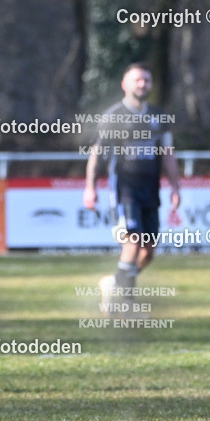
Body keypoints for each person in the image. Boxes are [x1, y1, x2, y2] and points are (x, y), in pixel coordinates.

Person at [82, 62, 180, 314]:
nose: (142, 84)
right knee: (132, 242)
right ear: (124, 84)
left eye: (146, 80)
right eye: (137, 80)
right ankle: (126, 304)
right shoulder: (113, 117)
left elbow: (168, 155)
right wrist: (90, 187)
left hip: (151, 192)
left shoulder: (159, 117)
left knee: (147, 253)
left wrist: (176, 188)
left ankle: (113, 283)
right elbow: (97, 154)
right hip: (124, 190)